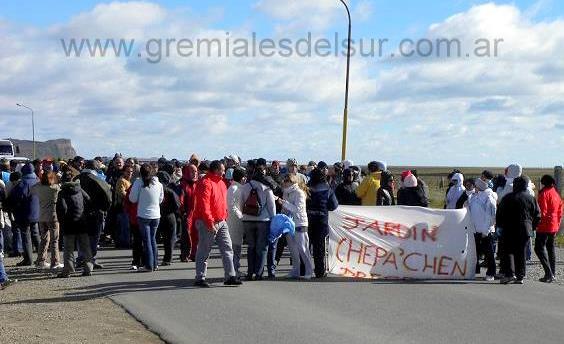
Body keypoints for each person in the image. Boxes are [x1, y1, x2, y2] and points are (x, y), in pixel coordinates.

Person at [193, 160, 241, 287]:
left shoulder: (221, 183)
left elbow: (222, 203)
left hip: (221, 221)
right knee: (204, 250)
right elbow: (204, 206)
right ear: (215, 170)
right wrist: (210, 222)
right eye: (222, 170)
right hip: (207, 222)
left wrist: (224, 217)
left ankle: (230, 276)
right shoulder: (205, 183)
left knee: (227, 248)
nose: (224, 172)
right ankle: (200, 277)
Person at [496, 176, 541, 284]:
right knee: (521, 252)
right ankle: (520, 275)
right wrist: (533, 227)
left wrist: (499, 226)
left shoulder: (507, 198)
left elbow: (500, 214)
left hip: (509, 229)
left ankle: (509, 274)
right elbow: (538, 215)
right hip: (525, 229)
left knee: (508, 251)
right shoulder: (530, 198)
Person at [239, 161, 277, 280]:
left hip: (248, 220)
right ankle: (259, 273)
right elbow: (272, 208)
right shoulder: (267, 188)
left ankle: (250, 272)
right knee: (262, 248)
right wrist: (273, 220)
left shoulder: (245, 186)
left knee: (251, 246)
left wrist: (244, 215)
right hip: (263, 220)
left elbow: (241, 204)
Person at [56, 170, 93, 278]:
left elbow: (62, 208)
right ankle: (88, 268)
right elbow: (89, 200)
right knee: (85, 247)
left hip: (69, 223)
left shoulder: (62, 192)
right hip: (81, 221)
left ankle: (68, 270)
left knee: (68, 249)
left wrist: (62, 220)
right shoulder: (79, 189)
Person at [277, 174, 313, 279]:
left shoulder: (299, 193)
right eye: (285, 180)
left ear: (294, 181)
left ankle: (309, 271)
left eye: (288, 180)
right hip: (289, 223)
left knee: (303, 248)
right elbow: (286, 208)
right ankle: (296, 270)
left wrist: (284, 203)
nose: (285, 182)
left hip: (300, 222)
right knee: (292, 249)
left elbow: (298, 209)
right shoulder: (285, 192)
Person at [77, 160, 112, 269]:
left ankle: (81, 259)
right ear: (96, 168)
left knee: (81, 238)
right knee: (93, 239)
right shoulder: (97, 180)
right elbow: (108, 197)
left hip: (78, 214)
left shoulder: (76, 179)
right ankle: (90, 260)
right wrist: (104, 210)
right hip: (95, 213)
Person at [129, 164, 163, 272]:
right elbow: (160, 199)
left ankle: (149, 265)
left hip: (143, 215)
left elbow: (132, 199)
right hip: (156, 215)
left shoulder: (138, 183)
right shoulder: (158, 184)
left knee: (147, 240)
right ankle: (155, 263)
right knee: (152, 239)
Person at [6, 163, 40, 266]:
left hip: (24, 214)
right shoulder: (37, 181)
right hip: (36, 212)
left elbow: (16, 197)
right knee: (35, 234)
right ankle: (42, 257)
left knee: (26, 236)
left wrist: (9, 205)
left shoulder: (23, 183)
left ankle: (28, 259)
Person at [307, 168, 338, 278]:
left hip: (308, 218)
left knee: (305, 245)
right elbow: (333, 205)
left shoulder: (307, 187)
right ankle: (320, 271)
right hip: (321, 220)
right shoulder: (327, 188)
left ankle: (303, 269)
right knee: (319, 247)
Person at [31, 171, 62, 269]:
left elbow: (32, 189)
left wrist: (40, 182)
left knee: (44, 239)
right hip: (53, 216)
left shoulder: (37, 187)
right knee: (54, 240)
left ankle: (40, 261)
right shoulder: (55, 188)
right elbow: (61, 187)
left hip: (41, 216)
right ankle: (55, 262)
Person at [535, 175, 563, 283]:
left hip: (544, 225)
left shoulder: (544, 193)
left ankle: (548, 273)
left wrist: (537, 224)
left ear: (544, 183)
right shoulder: (556, 194)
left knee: (538, 248)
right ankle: (553, 272)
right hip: (554, 224)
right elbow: (560, 211)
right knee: (550, 249)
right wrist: (557, 223)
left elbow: (542, 211)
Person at [468, 178, 497, 281]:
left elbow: (491, 216)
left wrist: (486, 231)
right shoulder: (474, 197)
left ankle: (491, 273)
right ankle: (474, 271)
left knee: (489, 253)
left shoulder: (489, 197)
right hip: (476, 230)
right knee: (475, 252)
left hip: (486, 231)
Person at [156, 171, 180, 266]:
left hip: (157, 215)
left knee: (155, 238)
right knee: (169, 239)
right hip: (169, 216)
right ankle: (167, 259)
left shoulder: (154, 189)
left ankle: (153, 258)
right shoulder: (170, 191)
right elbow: (177, 204)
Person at [227, 168, 246, 277]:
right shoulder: (233, 188)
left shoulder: (239, 188)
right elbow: (232, 206)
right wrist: (241, 216)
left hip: (238, 221)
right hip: (234, 222)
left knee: (237, 247)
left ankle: (235, 268)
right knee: (235, 247)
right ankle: (234, 270)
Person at [179, 164, 198, 262]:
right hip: (188, 213)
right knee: (187, 235)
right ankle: (185, 254)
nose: (194, 174)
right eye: (192, 171)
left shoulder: (198, 184)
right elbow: (180, 201)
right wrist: (183, 212)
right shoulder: (183, 184)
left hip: (197, 213)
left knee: (196, 234)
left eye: (195, 171)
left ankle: (194, 254)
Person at [114, 164, 134, 248]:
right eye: (128, 171)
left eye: (131, 171)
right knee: (124, 226)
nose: (129, 173)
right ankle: (123, 243)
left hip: (127, 206)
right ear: (124, 172)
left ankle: (125, 242)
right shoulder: (121, 180)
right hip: (122, 206)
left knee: (126, 226)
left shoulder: (128, 181)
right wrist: (132, 197)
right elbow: (122, 193)